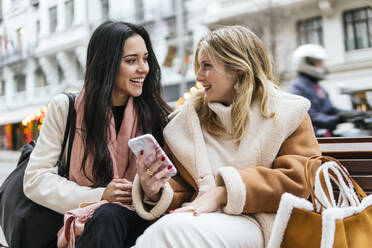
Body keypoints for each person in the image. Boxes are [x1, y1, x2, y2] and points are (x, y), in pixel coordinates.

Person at [131, 25, 321, 247]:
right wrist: (156, 189)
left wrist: (223, 193)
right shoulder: (185, 123)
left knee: (172, 231)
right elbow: (181, 188)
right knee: (167, 232)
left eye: (207, 66)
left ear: (238, 68)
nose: (199, 76)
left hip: (263, 222)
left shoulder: (287, 112)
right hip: (202, 218)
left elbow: (298, 180)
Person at [23, 21, 171, 247]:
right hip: (86, 222)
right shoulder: (67, 108)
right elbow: (35, 179)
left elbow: (171, 186)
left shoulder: (156, 114)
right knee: (107, 216)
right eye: (131, 60)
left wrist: (150, 190)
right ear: (107, 64)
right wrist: (100, 196)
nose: (143, 68)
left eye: (145, 58)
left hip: (139, 217)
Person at [290, 44, 361, 137]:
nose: (323, 66)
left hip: (326, 134)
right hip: (314, 138)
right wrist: (337, 119)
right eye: (319, 63)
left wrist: (355, 114)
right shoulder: (299, 87)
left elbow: (329, 109)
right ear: (306, 63)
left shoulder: (316, 86)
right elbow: (308, 116)